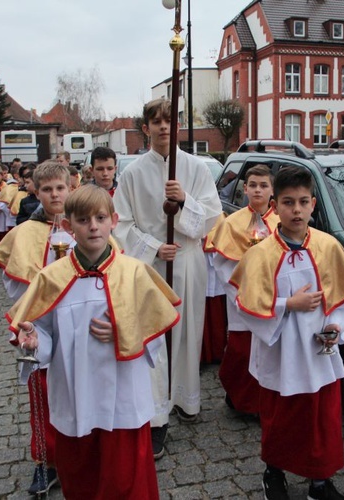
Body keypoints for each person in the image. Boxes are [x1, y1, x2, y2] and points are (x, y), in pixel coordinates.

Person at [11, 185, 180, 499]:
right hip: (76, 396)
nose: (93, 226)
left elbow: (154, 334)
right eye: (83, 219)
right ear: (67, 226)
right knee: (82, 478)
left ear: (113, 221)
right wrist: (34, 341)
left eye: (100, 218)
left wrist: (124, 334)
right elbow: (45, 338)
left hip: (125, 398)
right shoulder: (51, 278)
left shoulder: (134, 273)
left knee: (126, 480)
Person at [228, 166, 344, 500]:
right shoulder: (261, 255)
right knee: (280, 418)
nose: (296, 210)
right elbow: (245, 306)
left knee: (320, 420)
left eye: (303, 202)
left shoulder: (328, 247)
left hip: (318, 353)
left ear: (313, 204)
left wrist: (334, 326)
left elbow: (343, 298)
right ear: (276, 204)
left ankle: (319, 482)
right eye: (288, 203)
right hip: (281, 351)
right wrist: (288, 303)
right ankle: (274, 474)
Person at [113, 98, 221, 458]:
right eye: (156, 121)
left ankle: (186, 399)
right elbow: (121, 225)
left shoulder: (196, 167)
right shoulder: (131, 174)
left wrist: (185, 199)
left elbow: (212, 216)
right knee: (155, 343)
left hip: (188, 263)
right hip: (150, 268)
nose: (163, 127)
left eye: (169, 121)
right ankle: (157, 415)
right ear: (146, 128)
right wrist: (155, 247)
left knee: (187, 331)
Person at [0, 161, 72, 495]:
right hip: (40, 324)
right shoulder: (24, 233)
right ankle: (46, 462)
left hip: (76, 323)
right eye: (47, 189)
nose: (54, 194)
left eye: (60, 187)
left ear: (71, 187)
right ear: (36, 192)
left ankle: (77, 455)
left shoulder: (83, 225)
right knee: (42, 395)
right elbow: (14, 288)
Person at [207, 164, 278, 414]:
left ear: (272, 190)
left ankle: (266, 401)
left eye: (264, 185)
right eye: (253, 185)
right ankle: (242, 401)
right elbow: (222, 263)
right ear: (245, 189)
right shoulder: (232, 223)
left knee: (270, 348)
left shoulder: (283, 222)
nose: (258, 190)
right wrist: (238, 292)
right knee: (241, 350)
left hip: (274, 299)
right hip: (241, 298)